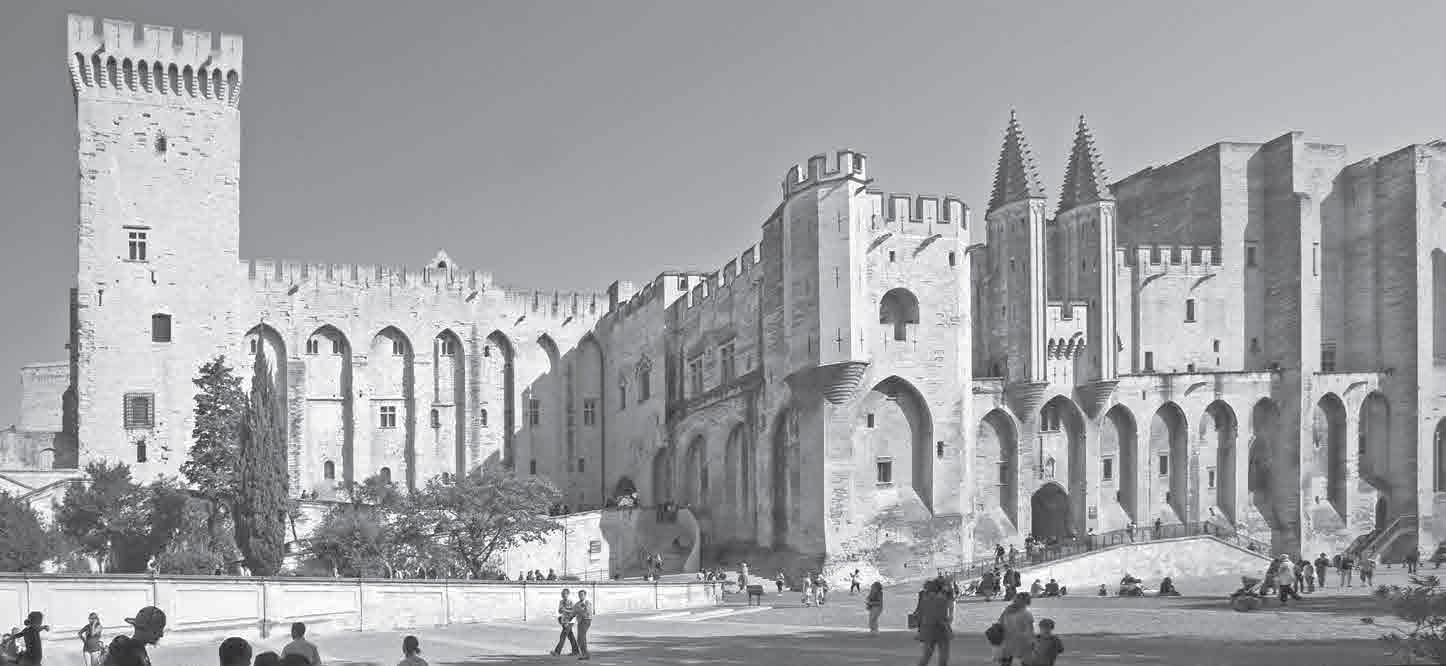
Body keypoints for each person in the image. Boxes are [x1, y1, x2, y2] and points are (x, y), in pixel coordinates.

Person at [912, 579, 952, 666]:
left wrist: (920, 631)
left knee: (927, 655)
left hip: (927, 630)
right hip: (941, 629)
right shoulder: (942, 600)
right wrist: (948, 629)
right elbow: (941, 617)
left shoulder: (924, 599)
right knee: (943, 654)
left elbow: (919, 614)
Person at [997, 592, 1035, 666]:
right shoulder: (1026, 613)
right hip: (1021, 640)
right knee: (1026, 661)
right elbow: (1030, 630)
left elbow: (1000, 623)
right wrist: (1032, 641)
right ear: (1026, 602)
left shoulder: (1007, 610)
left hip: (1007, 639)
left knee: (1006, 661)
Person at [550, 588, 580, 657]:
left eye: (564, 594)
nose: (563, 595)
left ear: (568, 594)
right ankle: (576, 651)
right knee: (570, 636)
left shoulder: (571, 601)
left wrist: (565, 610)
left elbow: (574, 611)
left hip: (570, 621)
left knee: (563, 636)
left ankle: (557, 651)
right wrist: (561, 610)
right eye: (562, 594)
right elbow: (560, 611)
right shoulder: (561, 601)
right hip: (564, 620)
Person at [573, 589, 593, 661]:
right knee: (579, 638)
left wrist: (580, 611)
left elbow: (587, 612)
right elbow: (573, 612)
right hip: (580, 621)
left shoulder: (587, 603)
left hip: (586, 621)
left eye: (582, 595)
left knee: (582, 637)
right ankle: (583, 654)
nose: (580, 596)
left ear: (585, 595)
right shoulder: (577, 604)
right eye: (579, 595)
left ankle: (585, 654)